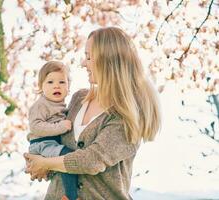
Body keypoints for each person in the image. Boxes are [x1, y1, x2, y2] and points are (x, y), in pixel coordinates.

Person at [24, 27, 161, 200]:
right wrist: (38, 160)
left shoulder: (128, 116)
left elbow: (92, 160)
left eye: (89, 57)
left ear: (108, 60)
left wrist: (46, 163)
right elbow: (54, 137)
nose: (83, 63)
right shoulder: (78, 99)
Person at [27, 60, 79, 200]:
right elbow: (35, 126)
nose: (56, 85)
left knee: (65, 161)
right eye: (50, 82)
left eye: (62, 82)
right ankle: (71, 196)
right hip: (42, 143)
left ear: (68, 87)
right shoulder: (40, 105)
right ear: (41, 86)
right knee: (67, 158)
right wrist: (60, 127)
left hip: (51, 143)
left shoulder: (61, 105)